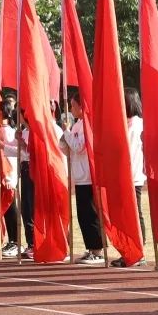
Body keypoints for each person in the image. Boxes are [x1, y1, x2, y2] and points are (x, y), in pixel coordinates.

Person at [63, 94, 104, 265]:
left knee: (90, 214)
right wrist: (65, 137)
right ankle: (90, 248)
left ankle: (97, 250)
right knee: (82, 215)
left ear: (81, 106)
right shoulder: (77, 125)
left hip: (87, 175)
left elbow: (79, 147)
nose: (71, 110)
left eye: (73, 106)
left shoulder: (87, 123)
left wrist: (66, 132)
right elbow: (69, 149)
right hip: (78, 176)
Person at [113, 89, 148, 267]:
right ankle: (127, 250)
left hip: (134, 175)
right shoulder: (120, 123)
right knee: (123, 216)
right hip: (120, 176)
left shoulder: (141, 124)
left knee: (135, 213)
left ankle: (139, 251)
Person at [0, 105, 20, 257]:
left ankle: (16, 241)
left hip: (10, 173)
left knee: (11, 207)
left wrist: (8, 175)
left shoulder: (10, 132)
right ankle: (11, 240)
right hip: (2, 174)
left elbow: (15, 153)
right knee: (6, 208)